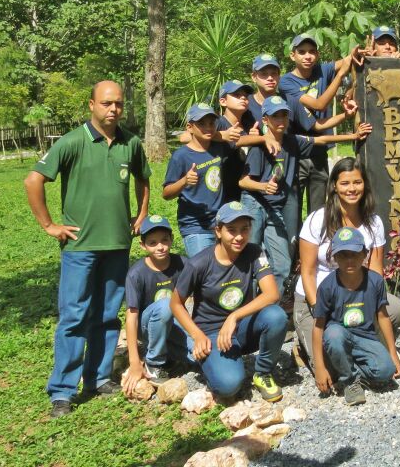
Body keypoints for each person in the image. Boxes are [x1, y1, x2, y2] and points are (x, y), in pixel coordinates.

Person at [24, 80, 150, 418]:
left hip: (118, 245)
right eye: (107, 103)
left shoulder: (131, 144)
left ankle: (97, 377)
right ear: (91, 104)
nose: (113, 110)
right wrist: (50, 225)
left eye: (119, 104)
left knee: (109, 315)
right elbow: (33, 180)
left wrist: (141, 214)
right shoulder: (73, 141)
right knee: (74, 316)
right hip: (80, 247)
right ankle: (63, 391)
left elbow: (143, 178)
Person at [240, 95, 372, 285]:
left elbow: (321, 139)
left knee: (283, 263)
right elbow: (243, 182)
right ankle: (249, 304)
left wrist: (353, 136)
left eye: (284, 116)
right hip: (255, 205)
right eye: (275, 116)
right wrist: (263, 186)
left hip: (274, 208)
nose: (281, 120)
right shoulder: (259, 147)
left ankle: (272, 303)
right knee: (250, 257)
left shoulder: (292, 140)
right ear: (265, 120)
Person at [170, 202, 289, 401]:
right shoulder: (199, 263)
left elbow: (272, 294)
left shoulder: (254, 252)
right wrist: (197, 335)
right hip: (212, 333)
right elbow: (176, 303)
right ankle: (205, 359)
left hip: (241, 326)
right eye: (231, 230)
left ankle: (262, 373)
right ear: (218, 231)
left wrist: (234, 316)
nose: (239, 237)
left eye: (245, 229)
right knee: (228, 386)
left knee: (276, 316)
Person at [294, 157, 400, 363]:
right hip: (319, 299)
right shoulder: (318, 219)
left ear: (365, 184)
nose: (351, 189)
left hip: (357, 296)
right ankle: (304, 344)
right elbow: (307, 272)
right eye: (345, 183)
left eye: (357, 182)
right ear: (334, 186)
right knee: (329, 363)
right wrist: (319, 309)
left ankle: (361, 339)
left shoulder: (374, 223)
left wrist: (371, 307)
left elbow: (375, 272)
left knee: (397, 311)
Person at [311, 226, 400, 406]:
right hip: (337, 337)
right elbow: (318, 327)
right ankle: (349, 382)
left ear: (364, 254)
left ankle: (345, 368)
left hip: (366, 337)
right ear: (334, 257)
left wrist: (393, 353)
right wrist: (319, 368)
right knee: (335, 334)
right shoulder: (327, 287)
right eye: (343, 255)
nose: (349, 260)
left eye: (354, 253)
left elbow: (383, 317)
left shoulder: (375, 281)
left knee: (386, 371)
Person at [279, 33, 360, 215]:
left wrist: (361, 52)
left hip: (319, 153)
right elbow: (319, 105)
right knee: (293, 210)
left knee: (318, 211)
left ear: (317, 54)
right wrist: (340, 76)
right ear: (293, 55)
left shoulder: (323, 70)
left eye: (312, 52)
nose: (307, 56)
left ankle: (316, 242)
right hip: (296, 153)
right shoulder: (286, 82)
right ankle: (295, 243)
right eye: (302, 52)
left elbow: (350, 59)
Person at [121, 214, 187, 395]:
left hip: (174, 323)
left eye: (164, 240)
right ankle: (154, 363)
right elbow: (132, 316)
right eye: (153, 242)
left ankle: (171, 353)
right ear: (143, 245)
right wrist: (134, 362)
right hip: (148, 326)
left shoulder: (182, 263)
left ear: (172, 239)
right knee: (166, 305)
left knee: (199, 357)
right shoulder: (136, 273)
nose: (160, 247)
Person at [163, 103, 233, 257]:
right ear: (190, 127)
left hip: (219, 223)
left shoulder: (218, 148)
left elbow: (240, 141)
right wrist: (184, 181)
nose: (208, 127)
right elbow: (166, 193)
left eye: (211, 123)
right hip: (195, 226)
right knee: (203, 275)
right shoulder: (180, 156)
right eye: (201, 124)